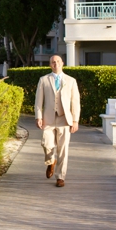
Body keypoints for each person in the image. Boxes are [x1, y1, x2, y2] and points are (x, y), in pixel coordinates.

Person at [34, 54, 81, 188]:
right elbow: (38, 101)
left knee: (63, 149)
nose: (56, 64)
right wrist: (38, 117)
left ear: (62, 63)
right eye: (53, 62)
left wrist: (75, 120)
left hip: (64, 119)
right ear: (50, 65)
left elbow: (75, 102)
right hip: (48, 119)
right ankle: (51, 161)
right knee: (46, 144)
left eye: (58, 62)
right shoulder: (43, 80)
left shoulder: (71, 81)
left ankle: (60, 177)